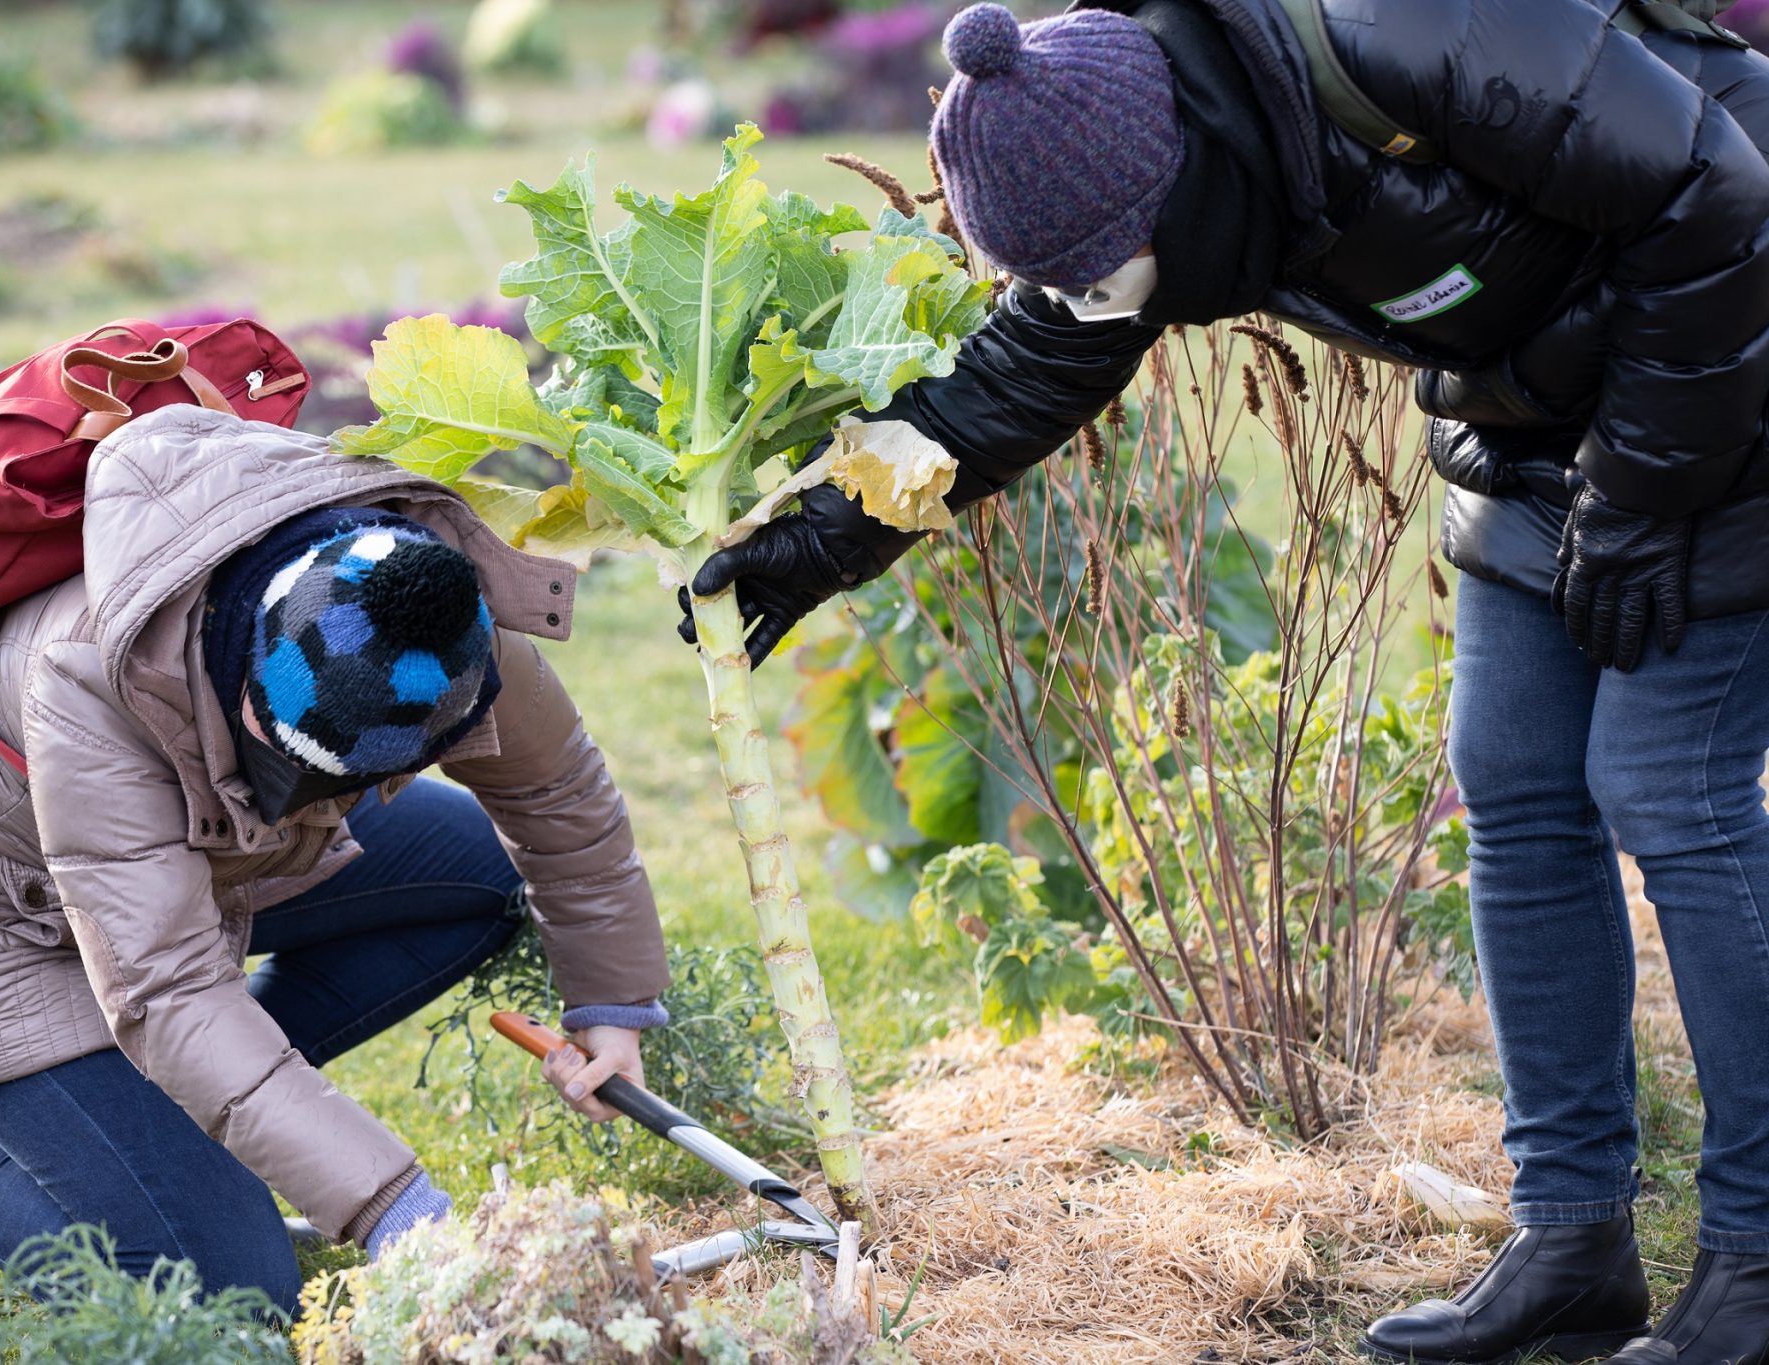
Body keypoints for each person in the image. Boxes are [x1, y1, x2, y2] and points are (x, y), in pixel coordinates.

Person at [680, 2, 1769, 1361]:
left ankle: (1758, 1257)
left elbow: (1718, 187)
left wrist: (1646, 492)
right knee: (1520, 780)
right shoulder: (1146, 170)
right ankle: (1573, 1240)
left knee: (1670, 789)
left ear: (1178, 176)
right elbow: (1027, 367)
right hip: (1547, 418)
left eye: (1106, 269)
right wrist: (825, 536)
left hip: (1730, 354)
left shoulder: (1400, 33)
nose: (1106, 302)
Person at [0, 405, 669, 1322]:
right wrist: (395, 1204)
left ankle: (168, 1129)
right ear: (245, 683)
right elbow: (168, 993)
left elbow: (559, 794)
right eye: (295, 772)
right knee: (225, 1297)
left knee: (477, 876)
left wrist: (612, 1005)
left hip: (201, 856)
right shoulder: (88, 682)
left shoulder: (430, 610)